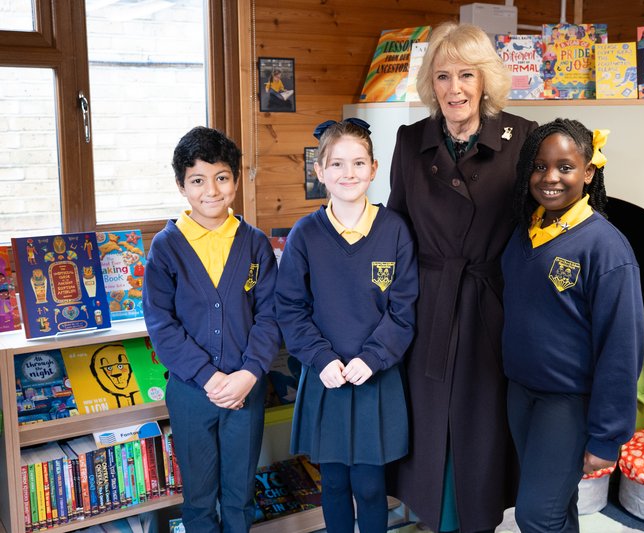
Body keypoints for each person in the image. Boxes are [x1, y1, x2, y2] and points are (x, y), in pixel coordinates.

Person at [387, 21, 538, 533]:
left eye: (466, 75)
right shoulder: (410, 142)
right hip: (427, 301)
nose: (455, 88)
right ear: (432, 84)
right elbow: (398, 227)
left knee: (480, 425)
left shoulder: (521, 139)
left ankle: (474, 521)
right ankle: (439, 520)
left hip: (490, 303)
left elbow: (536, 229)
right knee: (430, 423)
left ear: (485, 81)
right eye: (444, 76)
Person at [276, 118, 418, 533]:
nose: (348, 174)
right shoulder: (305, 234)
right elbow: (291, 308)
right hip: (327, 378)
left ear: (374, 169)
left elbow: (404, 310)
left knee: (371, 486)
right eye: (336, 165)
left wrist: (373, 358)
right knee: (334, 482)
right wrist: (321, 359)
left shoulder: (394, 230)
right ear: (319, 172)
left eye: (358, 163)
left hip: (375, 377)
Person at [502, 119, 644, 531]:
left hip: (567, 403)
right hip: (521, 393)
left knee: (535, 514)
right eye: (539, 166)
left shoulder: (605, 247)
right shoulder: (524, 231)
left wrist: (607, 437)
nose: (550, 178)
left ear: (588, 172)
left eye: (565, 167)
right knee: (556, 506)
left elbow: (622, 348)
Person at [143, 126, 281, 532]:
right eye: (197, 180)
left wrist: (248, 374)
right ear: (181, 186)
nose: (211, 190)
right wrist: (209, 377)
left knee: (240, 497)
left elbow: (270, 315)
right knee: (199, 500)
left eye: (221, 177)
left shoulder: (255, 244)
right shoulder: (166, 248)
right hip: (191, 393)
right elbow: (161, 325)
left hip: (246, 390)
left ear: (236, 181)